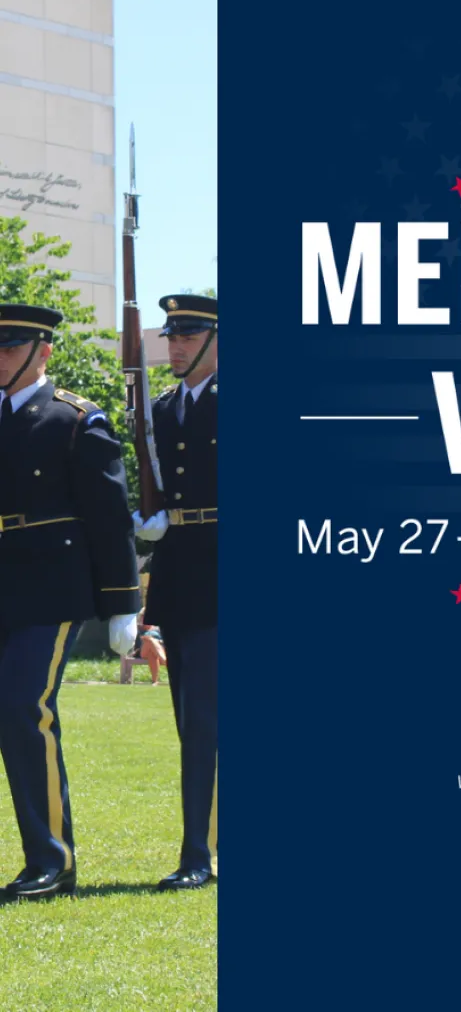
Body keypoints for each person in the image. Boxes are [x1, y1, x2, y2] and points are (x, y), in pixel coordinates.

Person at [0, 303, 140, 901]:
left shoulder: (76, 420)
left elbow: (111, 521)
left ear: (43, 351)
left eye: (9, 346)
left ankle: (51, 861)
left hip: (50, 590)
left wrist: (124, 604)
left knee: (22, 708)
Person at [134, 293, 217, 891]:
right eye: (171, 336)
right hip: (182, 575)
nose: (177, 345)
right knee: (194, 725)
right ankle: (204, 850)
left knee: (207, 720)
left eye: (189, 335)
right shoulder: (159, 411)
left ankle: (199, 857)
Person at [135, 607, 166, 685]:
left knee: (151, 653)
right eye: (143, 616)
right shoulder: (138, 627)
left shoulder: (159, 627)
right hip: (142, 650)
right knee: (148, 640)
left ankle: (154, 681)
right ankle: (165, 661)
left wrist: (158, 641)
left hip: (158, 649)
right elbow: (139, 640)